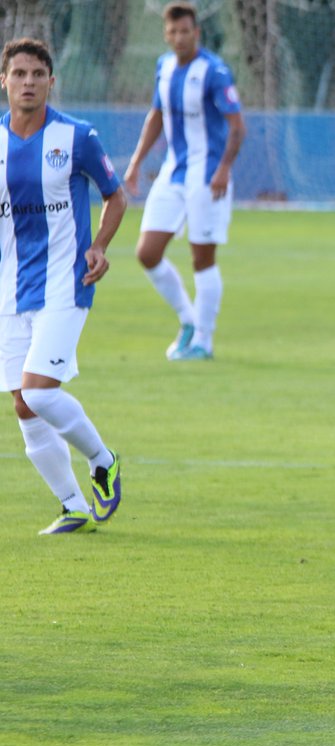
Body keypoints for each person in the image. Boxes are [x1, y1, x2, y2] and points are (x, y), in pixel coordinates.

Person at [1, 38, 128, 535]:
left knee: (40, 394)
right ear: (4, 82)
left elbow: (116, 197)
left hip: (66, 284)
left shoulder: (77, 137)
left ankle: (103, 460)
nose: (28, 82)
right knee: (21, 402)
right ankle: (73, 504)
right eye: (19, 74)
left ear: (51, 82)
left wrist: (98, 245)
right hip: (12, 289)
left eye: (37, 74)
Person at [123, 1, 245, 361]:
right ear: (166, 34)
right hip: (172, 173)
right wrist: (135, 163)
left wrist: (224, 169)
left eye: (185, 31)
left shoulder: (215, 72)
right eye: (173, 32)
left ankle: (204, 341)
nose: (179, 37)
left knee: (202, 258)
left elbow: (238, 128)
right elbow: (156, 116)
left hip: (207, 177)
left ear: (197, 33)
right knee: (147, 253)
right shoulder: (163, 67)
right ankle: (188, 320)